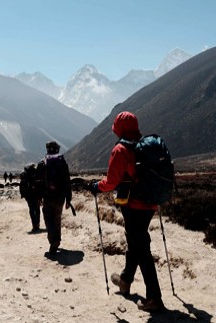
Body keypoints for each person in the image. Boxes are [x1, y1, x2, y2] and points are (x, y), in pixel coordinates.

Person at [89, 111, 165, 312]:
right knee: (135, 241)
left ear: (119, 128)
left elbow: (112, 181)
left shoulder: (121, 149)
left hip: (133, 205)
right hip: (150, 204)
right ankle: (125, 280)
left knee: (141, 248)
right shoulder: (145, 147)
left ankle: (154, 298)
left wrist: (97, 186)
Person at [38, 141, 72, 255]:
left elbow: (39, 183)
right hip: (60, 197)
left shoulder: (43, 163)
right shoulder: (62, 163)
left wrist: (39, 197)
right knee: (57, 218)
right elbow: (67, 181)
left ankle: (53, 239)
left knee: (48, 218)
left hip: (47, 197)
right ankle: (56, 240)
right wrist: (68, 198)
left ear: (47, 149)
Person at [19, 163, 41, 233]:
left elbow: (21, 186)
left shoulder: (25, 175)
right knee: (37, 209)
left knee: (31, 210)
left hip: (28, 196)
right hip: (36, 194)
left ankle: (34, 225)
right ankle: (37, 224)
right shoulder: (35, 174)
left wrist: (24, 195)